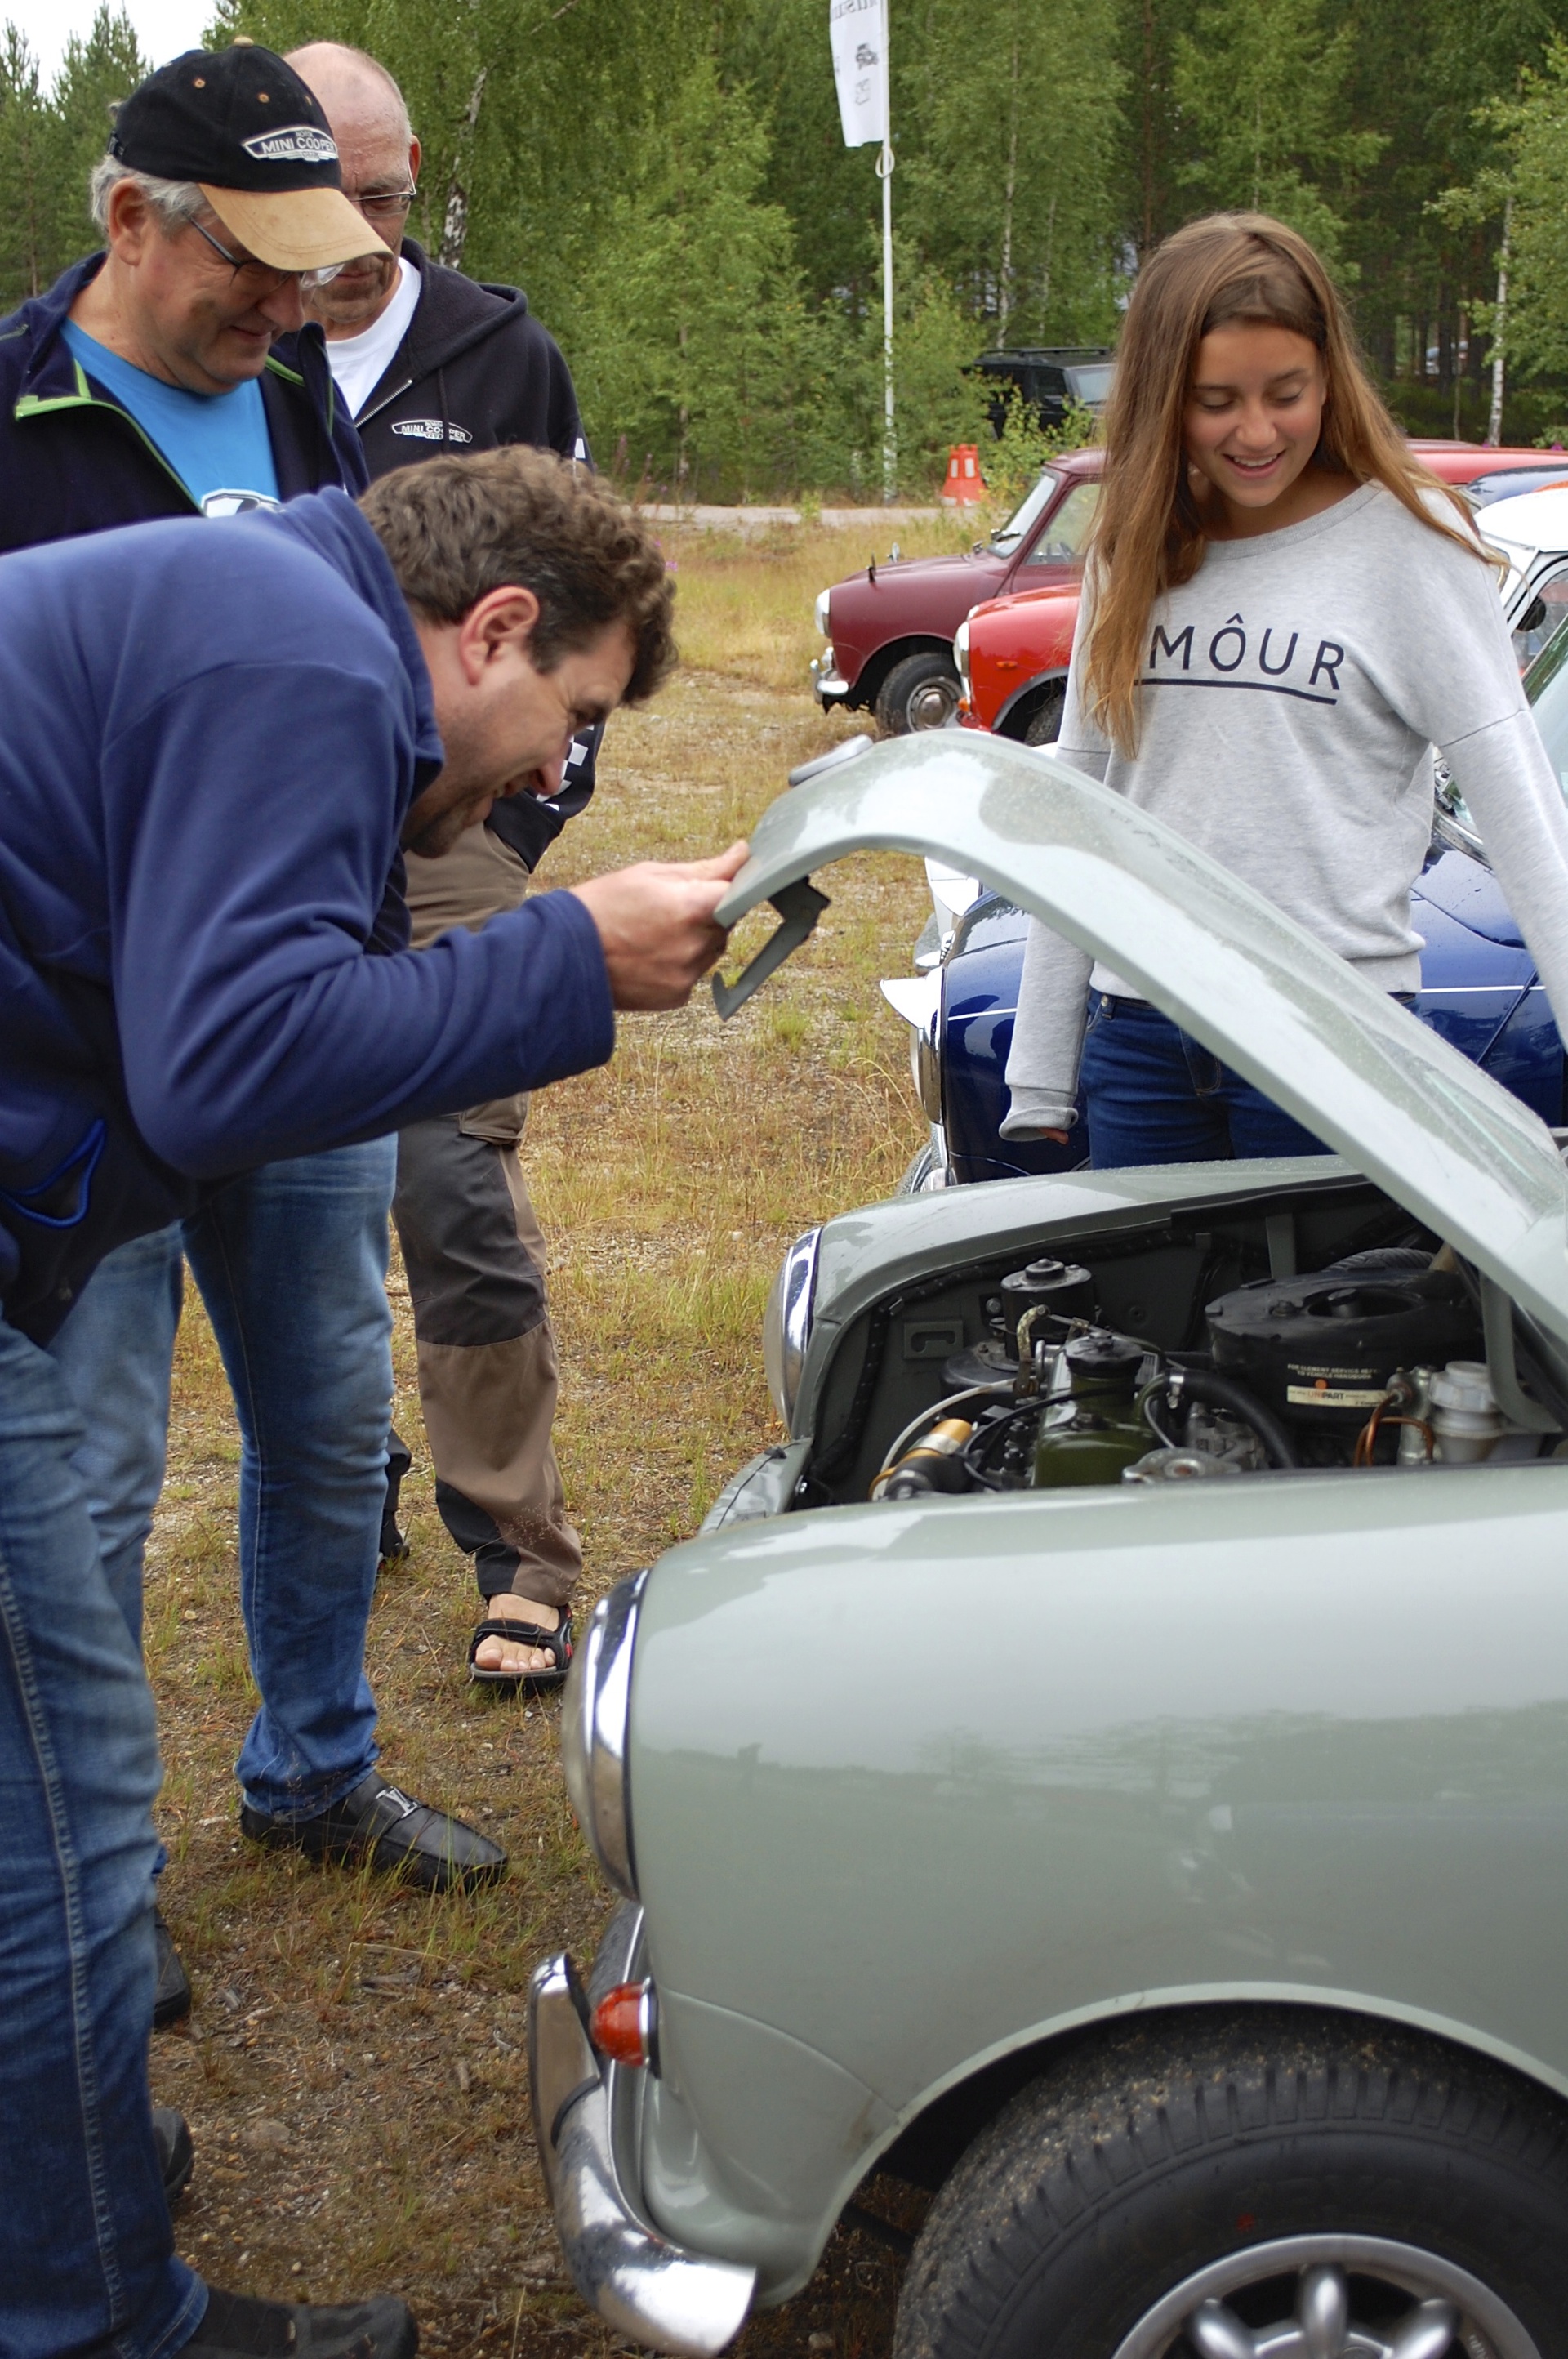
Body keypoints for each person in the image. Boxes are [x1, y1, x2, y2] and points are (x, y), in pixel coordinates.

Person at [0, 440, 742, 2357]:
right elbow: (227, 1069)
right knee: (62, 1800)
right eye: (569, 719)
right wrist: (566, 954)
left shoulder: (274, 615)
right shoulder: (306, 658)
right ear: (495, 628)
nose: (551, 777)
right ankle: (85, 2308)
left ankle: (50, 2174)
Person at [0, 41, 498, 2041]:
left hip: (303, 1008)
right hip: (91, 1064)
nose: (290, 305)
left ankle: (313, 1765)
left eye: (315, 267)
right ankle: (96, 1883)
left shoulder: (292, 399)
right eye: (253, 265)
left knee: (328, 1412)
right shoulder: (17, 406)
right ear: (133, 218)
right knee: (95, 1468)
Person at [1001, 212, 1568, 1166]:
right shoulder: (1132, 545)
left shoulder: (1413, 543)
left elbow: (1522, 811)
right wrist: (1042, 1065)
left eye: (1286, 393)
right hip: (1142, 1040)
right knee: (1147, 1277)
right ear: (1162, 397)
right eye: (1216, 400)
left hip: (1335, 1039)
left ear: (1329, 380)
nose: (1257, 430)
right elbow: (1083, 800)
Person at [287, 39, 595, 1688]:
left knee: (449, 1167)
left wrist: (526, 810)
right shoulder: (234, 353)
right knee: (286, 1171)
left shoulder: (499, 355)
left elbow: (588, 586)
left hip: (457, 817)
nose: (359, 239)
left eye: (389, 200)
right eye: (327, 203)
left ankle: (517, 1536)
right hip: (269, 828)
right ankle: (348, 1474)